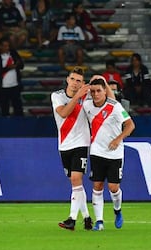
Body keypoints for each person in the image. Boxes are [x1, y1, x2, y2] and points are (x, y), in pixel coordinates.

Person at [83, 78, 135, 231]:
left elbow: (130, 125)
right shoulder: (87, 106)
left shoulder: (115, 107)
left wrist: (118, 139)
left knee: (113, 187)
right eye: (93, 91)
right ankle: (99, 222)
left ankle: (117, 210)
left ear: (105, 91)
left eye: (99, 90)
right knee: (97, 186)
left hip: (115, 153)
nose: (96, 94)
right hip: (97, 151)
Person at [51, 66, 92, 231]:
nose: (75, 83)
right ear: (68, 79)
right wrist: (77, 97)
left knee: (76, 180)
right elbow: (63, 113)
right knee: (76, 185)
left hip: (81, 143)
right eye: (73, 79)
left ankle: (72, 220)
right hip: (64, 145)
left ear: (83, 83)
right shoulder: (57, 96)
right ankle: (87, 218)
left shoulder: (86, 97)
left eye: (79, 81)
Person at [0, 37, 24, 116]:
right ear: (0, 46)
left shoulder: (13, 53)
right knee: (4, 108)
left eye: (8, 46)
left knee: (18, 108)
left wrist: (17, 65)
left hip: (15, 85)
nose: (7, 48)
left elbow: (22, 65)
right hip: (3, 87)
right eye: (5, 46)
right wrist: (8, 68)